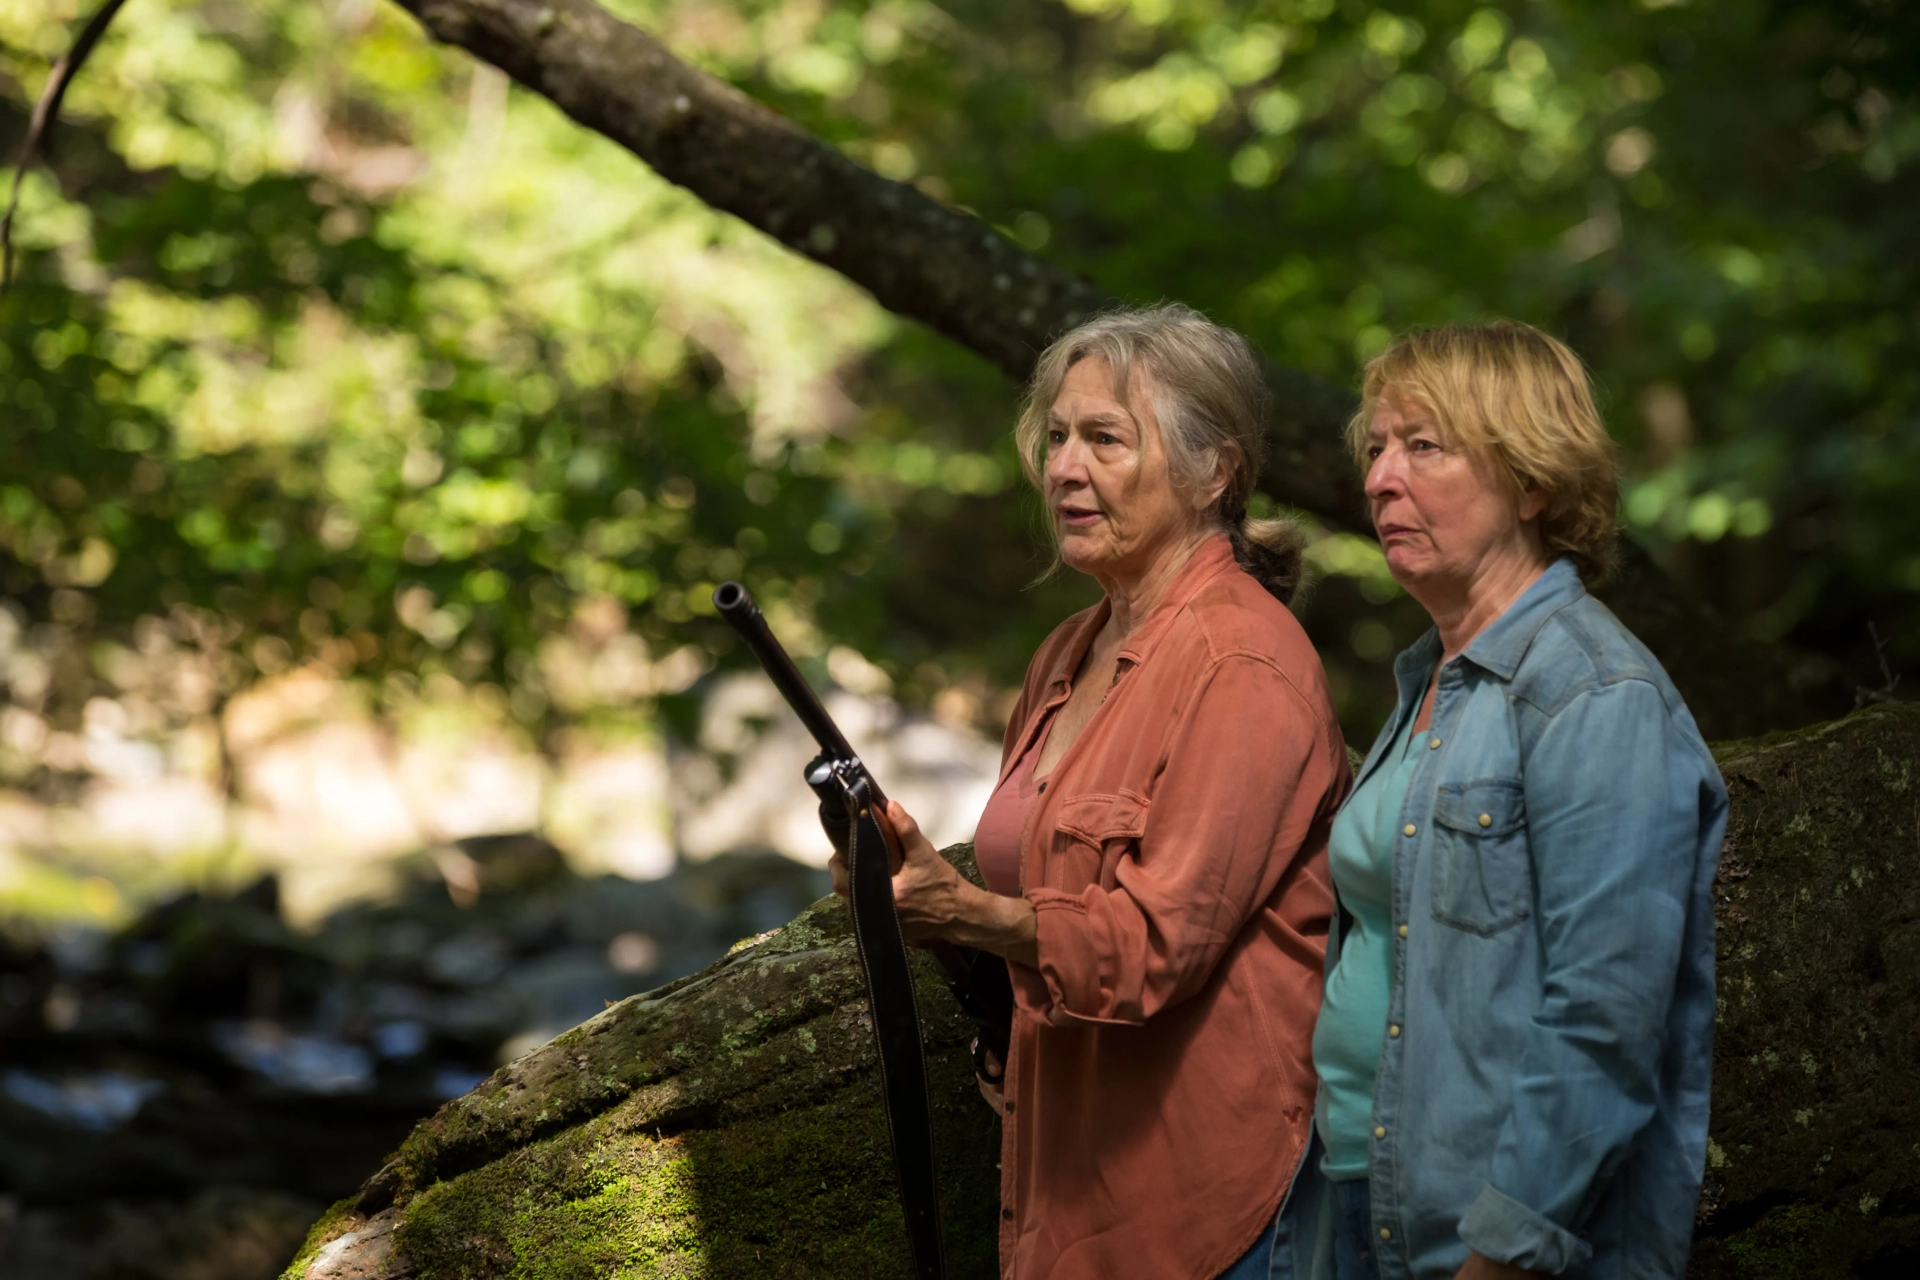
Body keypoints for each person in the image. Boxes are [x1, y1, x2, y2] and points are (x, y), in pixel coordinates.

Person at [835, 304, 1349, 1280]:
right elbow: (1037, 892)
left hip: (1215, 1216)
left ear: (1214, 470)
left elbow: (1154, 947)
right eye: (1058, 436)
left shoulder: (1243, 660)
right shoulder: (1069, 649)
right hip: (1072, 1201)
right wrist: (906, 887)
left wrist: (980, 914)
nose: (1065, 468)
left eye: (1105, 438)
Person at [1303, 320, 1729, 1279]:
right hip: (1364, 1200)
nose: (1379, 479)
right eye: (1376, 448)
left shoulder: (1592, 693)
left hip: (1493, 1243)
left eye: (1424, 446)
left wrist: (1507, 1251)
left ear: (1533, 481)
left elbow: (1606, 1016)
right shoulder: (1430, 680)